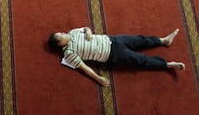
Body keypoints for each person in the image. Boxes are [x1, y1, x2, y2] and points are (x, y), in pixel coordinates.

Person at [48, 27, 185, 87]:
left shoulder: (72, 33)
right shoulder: (69, 54)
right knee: (140, 60)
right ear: (60, 44)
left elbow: (85, 28)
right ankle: (167, 64)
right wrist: (99, 78)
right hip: (112, 55)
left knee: (140, 40)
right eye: (61, 36)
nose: (64, 33)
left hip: (113, 40)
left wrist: (88, 31)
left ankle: (163, 40)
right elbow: (84, 68)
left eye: (61, 32)